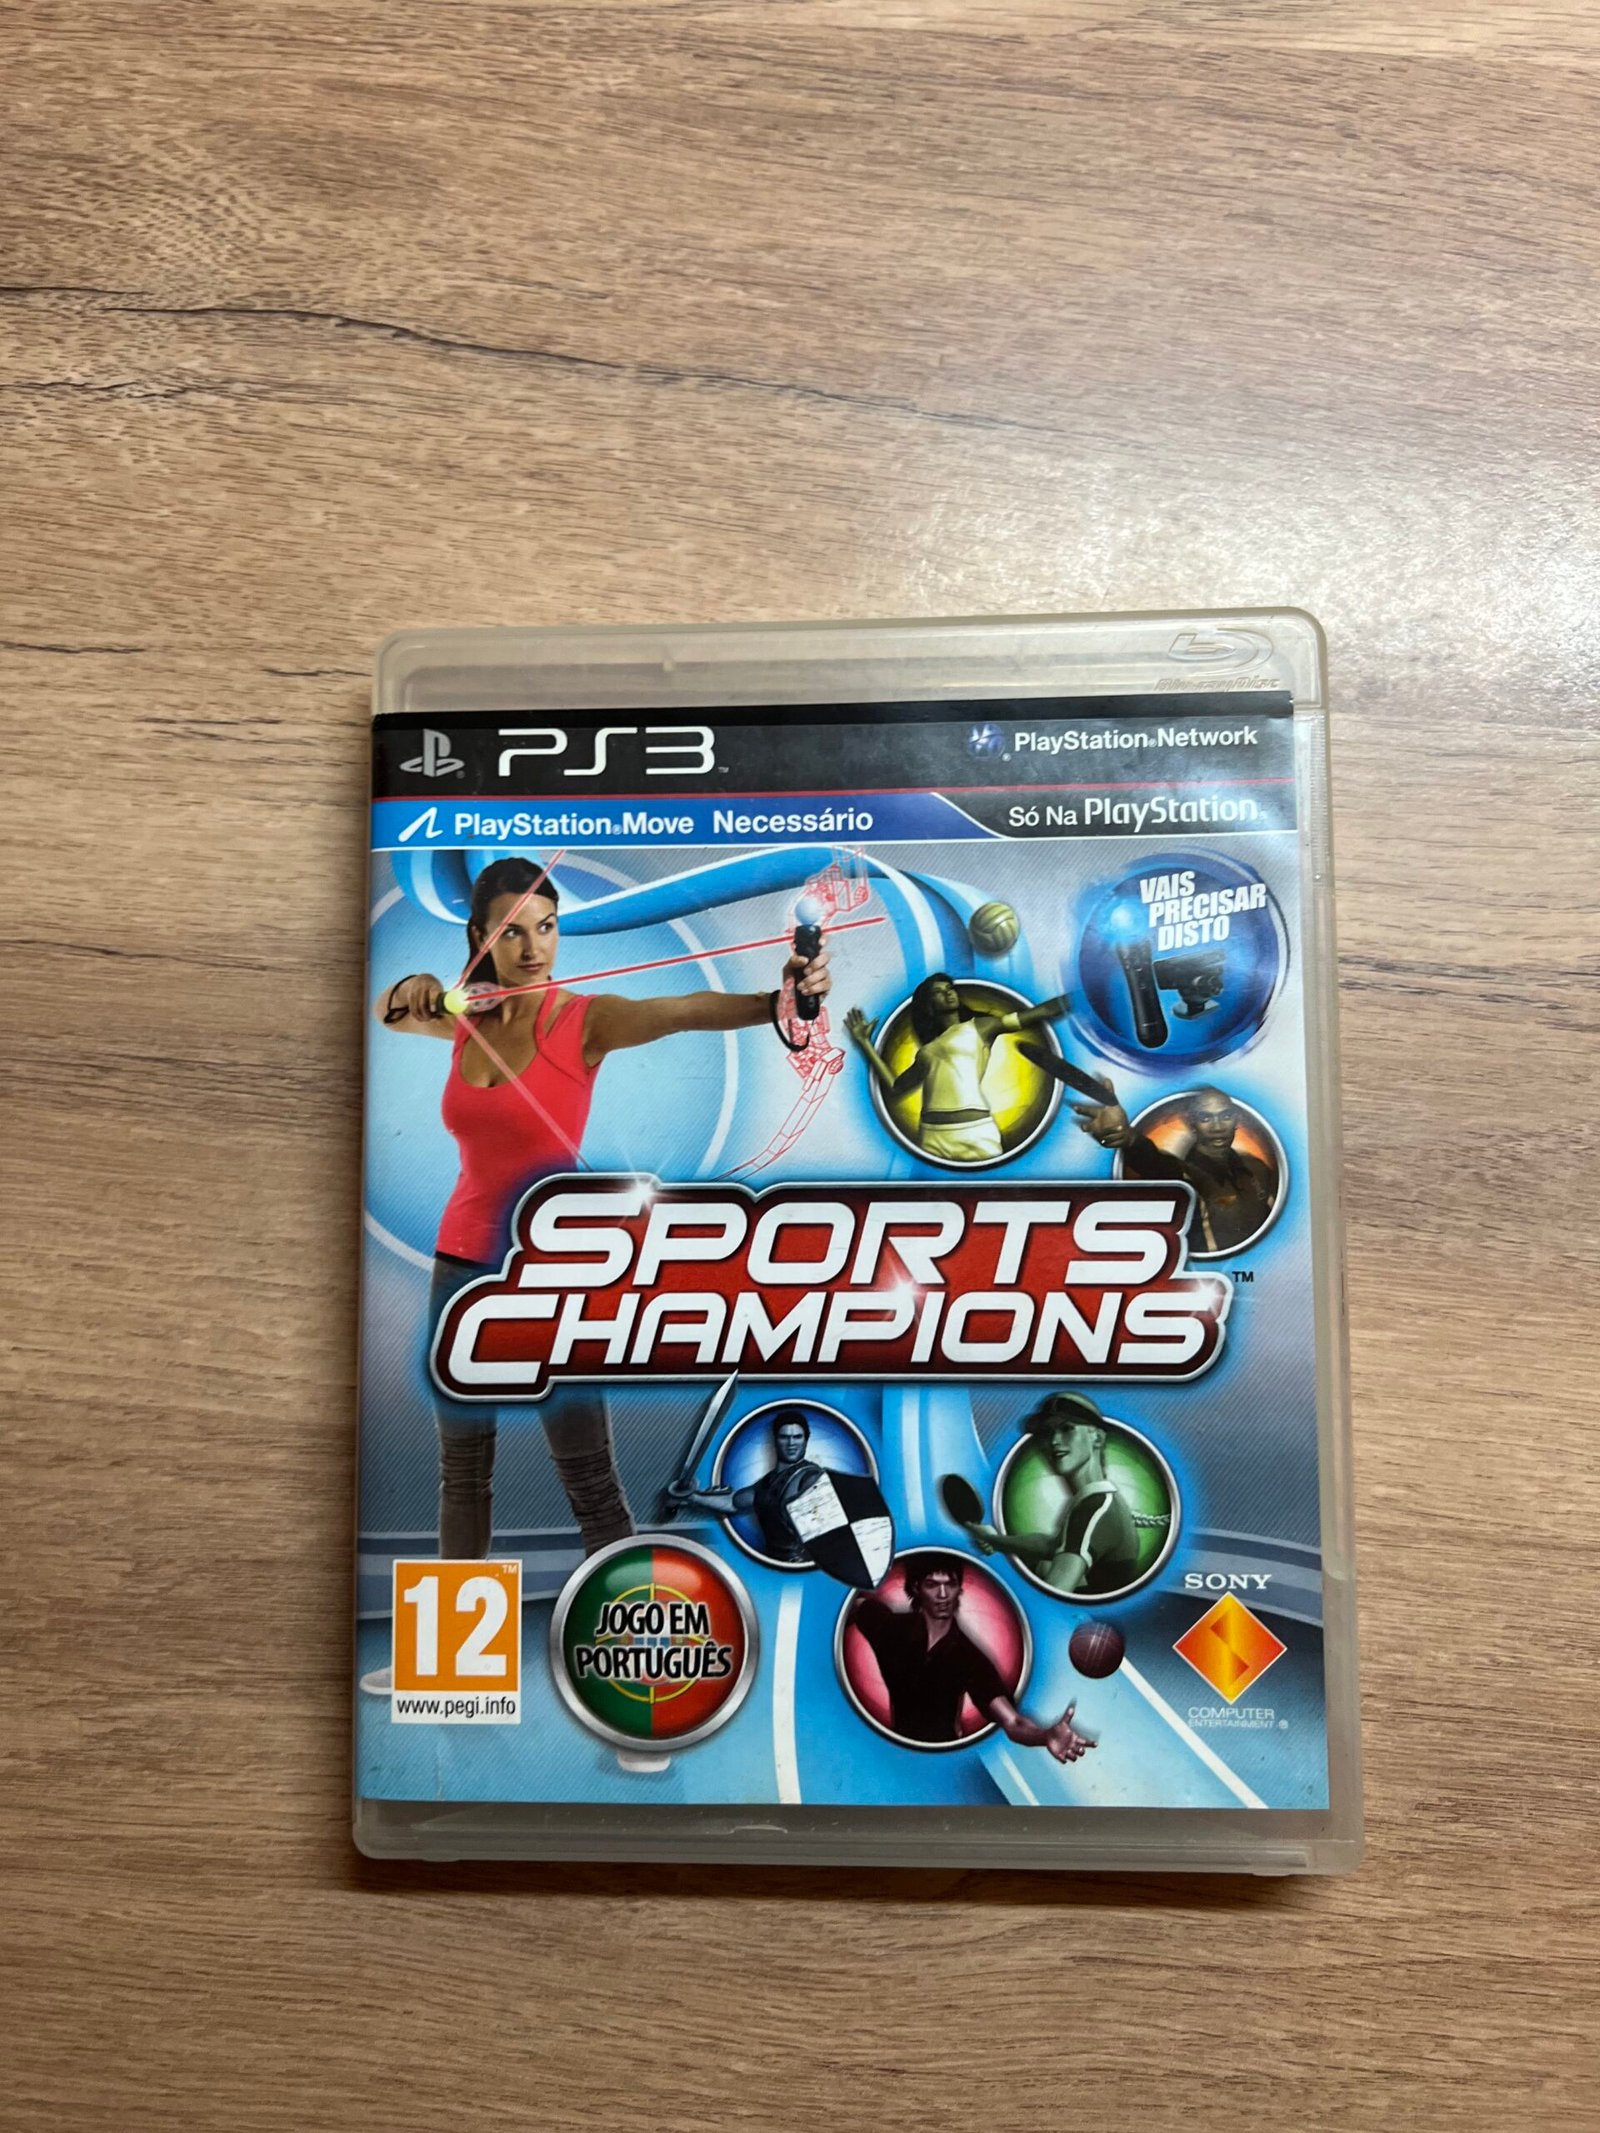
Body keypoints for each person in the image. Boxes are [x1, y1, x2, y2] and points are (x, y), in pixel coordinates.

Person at [376, 855, 832, 1568]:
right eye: (512, 931)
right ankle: (454, 1634)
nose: (534, 948)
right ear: (480, 937)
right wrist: (418, 987)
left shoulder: (583, 1021)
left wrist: (779, 1001)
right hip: (459, 1263)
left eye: (547, 927)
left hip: (552, 1268)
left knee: (589, 1479)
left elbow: (682, 1011)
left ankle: (624, 1618)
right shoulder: (470, 1019)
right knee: (461, 1473)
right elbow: (392, 1010)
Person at [849, 1556, 1096, 1758]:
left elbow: (1013, 1722)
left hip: (943, 1758)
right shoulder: (889, 1628)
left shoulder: (968, 1658)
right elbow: (854, 1603)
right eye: (932, 1584)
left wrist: (1044, 1736)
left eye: (950, 1584)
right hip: (893, 1752)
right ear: (916, 1588)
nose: (943, 1594)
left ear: (959, 1588)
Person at [844, 974, 1068, 1163]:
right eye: (938, 992)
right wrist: (864, 1043)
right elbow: (895, 1087)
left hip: (975, 1133)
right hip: (931, 1137)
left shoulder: (980, 1027)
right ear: (929, 1005)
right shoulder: (926, 1051)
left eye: (949, 988)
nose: (948, 993)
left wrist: (1078, 998)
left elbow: (1038, 1013)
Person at [962, 1392, 1148, 1596]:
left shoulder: (1094, 1510)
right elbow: (1051, 1545)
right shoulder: (1097, 1501)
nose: (1054, 1441)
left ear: (1097, 1438)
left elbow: (1053, 1594)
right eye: (1047, 1433)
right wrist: (996, 1540)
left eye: (1067, 1429)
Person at [1067, 1079, 1277, 1254]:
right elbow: (1156, 1163)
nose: (1218, 1127)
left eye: (1226, 1116)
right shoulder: (1181, 1176)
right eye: (1205, 1117)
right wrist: (1129, 1138)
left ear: (1237, 1120)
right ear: (1192, 1124)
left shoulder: (1257, 1168)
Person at [667, 1407, 826, 1564]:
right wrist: (691, 1496)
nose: (791, 1443)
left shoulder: (811, 1476)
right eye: (784, 1437)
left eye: (797, 1437)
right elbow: (732, 1502)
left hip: (802, 1566)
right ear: (775, 1440)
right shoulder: (767, 1482)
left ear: (806, 1440)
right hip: (772, 1563)